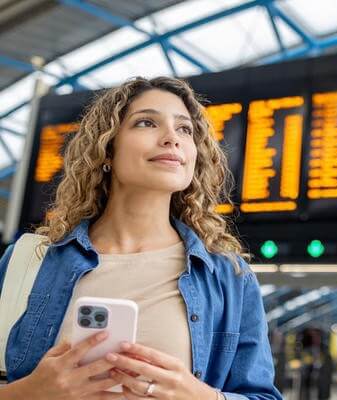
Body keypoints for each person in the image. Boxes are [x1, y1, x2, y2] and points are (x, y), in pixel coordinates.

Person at [0, 76, 282, 400]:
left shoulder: (228, 276)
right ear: (107, 150)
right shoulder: (28, 261)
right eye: (147, 122)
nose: (171, 139)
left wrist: (203, 397)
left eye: (184, 129)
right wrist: (28, 393)